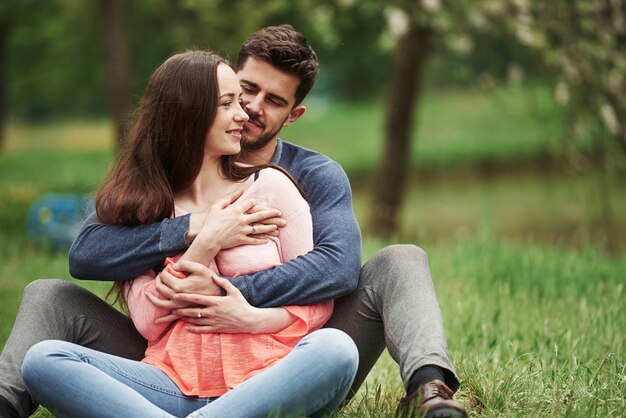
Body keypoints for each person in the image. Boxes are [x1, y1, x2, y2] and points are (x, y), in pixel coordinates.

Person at [0, 25, 466, 418]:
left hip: (285, 356)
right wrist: (195, 230)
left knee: (399, 261)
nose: (250, 109)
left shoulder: (305, 178)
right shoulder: (157, 185)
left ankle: (431, 390)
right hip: (170, 359)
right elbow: (86, 254)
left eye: (273, 100)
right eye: (243, 92)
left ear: (294, 114)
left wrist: (230, 302)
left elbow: (337, 269)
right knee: (48, 298)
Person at [19, 50, 358, 418]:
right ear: (190, 115)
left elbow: (319, 300)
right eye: (229, 103)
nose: (243, 115)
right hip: (168, 384)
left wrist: (250, 317)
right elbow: (149, 323)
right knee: (42, 359)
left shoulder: (272, 188)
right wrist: (206, 239)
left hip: (269, 378)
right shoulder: (146, 209)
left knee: (336, 348)